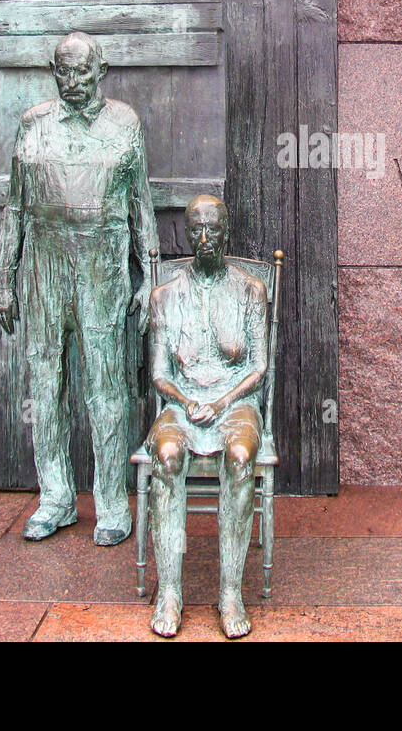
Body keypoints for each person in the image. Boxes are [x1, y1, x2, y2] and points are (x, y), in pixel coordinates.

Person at [0, 31, 158, 546]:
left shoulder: (124, 123)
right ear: (52, 69)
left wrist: (150, 273)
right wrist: (4, 275)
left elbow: (140, 204)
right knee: (45, 387)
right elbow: (15, 206)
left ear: (101, 70)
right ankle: (56, 498)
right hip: (44, 265)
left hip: (103, 268)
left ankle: (112, 502)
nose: (72, 82)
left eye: (82, 72)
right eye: (63, 71)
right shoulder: (33, 123)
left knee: (108, 389)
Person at [146, 194, 268, 638]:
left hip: (235, 403)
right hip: (181, 402)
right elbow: (159, 372)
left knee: (239, 456)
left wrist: (220, 403)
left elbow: (258, 366)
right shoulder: (165, 295)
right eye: (195, 229)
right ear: (186, 234)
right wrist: (186, 399)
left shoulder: (250, 290)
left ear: (226, 230)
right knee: (168, 455)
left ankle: (231, 591)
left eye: (212, 229)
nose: (204, 238)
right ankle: (170, 592)